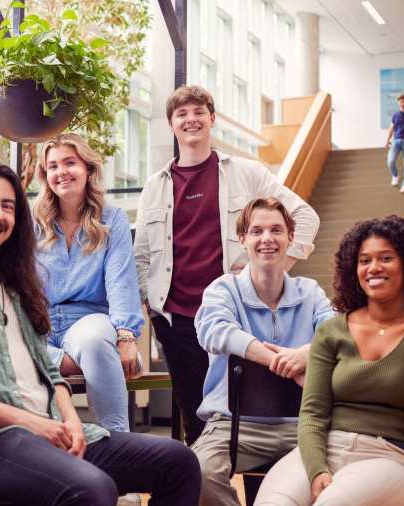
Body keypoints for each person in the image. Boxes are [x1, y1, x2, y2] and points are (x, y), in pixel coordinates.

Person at [0, 160, 199, 506]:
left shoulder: (14, 284)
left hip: (51, 431)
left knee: (180, 462)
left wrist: (69, 420)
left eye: (7, 206)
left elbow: (49, 371)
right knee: (93, 488)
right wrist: (33, 424)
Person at [134, 85, 320, 445]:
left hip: (239, 318)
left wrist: (273, 268)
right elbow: (141, 255)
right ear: (172, 125)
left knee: (254, 421)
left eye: (199, 112)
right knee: (197, 424)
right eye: (182, 114)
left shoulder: (246, 173)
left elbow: (304, 216)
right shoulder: (154, 187)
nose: (191, 119)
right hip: (177, 322)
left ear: (212, 119)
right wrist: (151, 307)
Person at [255, 215, 404, 506]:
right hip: (321, 450)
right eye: (364, 260)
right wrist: (316, 470)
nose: (374, 268)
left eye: (386, 258)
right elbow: (313, 413)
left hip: (390, 457)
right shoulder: (331, 330)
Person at [193, 198, 335, 506]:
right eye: (256, 231)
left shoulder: (310, 292)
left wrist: (307, 353)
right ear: (243, 239)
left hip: (304, 424)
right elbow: (214, 331)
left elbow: (339, 334)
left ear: (290, 238)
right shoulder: (223, 289)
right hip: (234, 424)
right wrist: (278, 361)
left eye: (276, 230)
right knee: (198, 474)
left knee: (341, 475)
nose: (267, 239)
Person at [33, 133, 144, 433]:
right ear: (46, 175)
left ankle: (120, 441)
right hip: (39, 325)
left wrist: (125, 337)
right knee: (16, 354)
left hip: (88, 319)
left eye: (70, 163)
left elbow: (121, 280)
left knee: (96, 341)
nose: (61, 172)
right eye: (53, 166)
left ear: (88, 170)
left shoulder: (113, 219)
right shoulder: (32, 221)